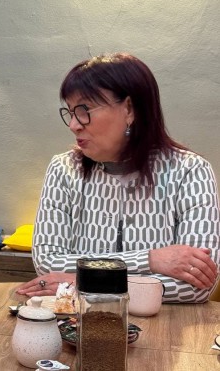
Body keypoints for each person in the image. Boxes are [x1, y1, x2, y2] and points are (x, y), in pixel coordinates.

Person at [17, 53, 220, 303]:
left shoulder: (190, 171)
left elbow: (198, 285)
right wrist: (151, 259)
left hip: (165, 326)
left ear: (129, 109)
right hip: (81, 322)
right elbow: (49, 264)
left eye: (84, 110)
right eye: (69, 112)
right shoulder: (63, 169)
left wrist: (82, 282)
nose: (73, 125)